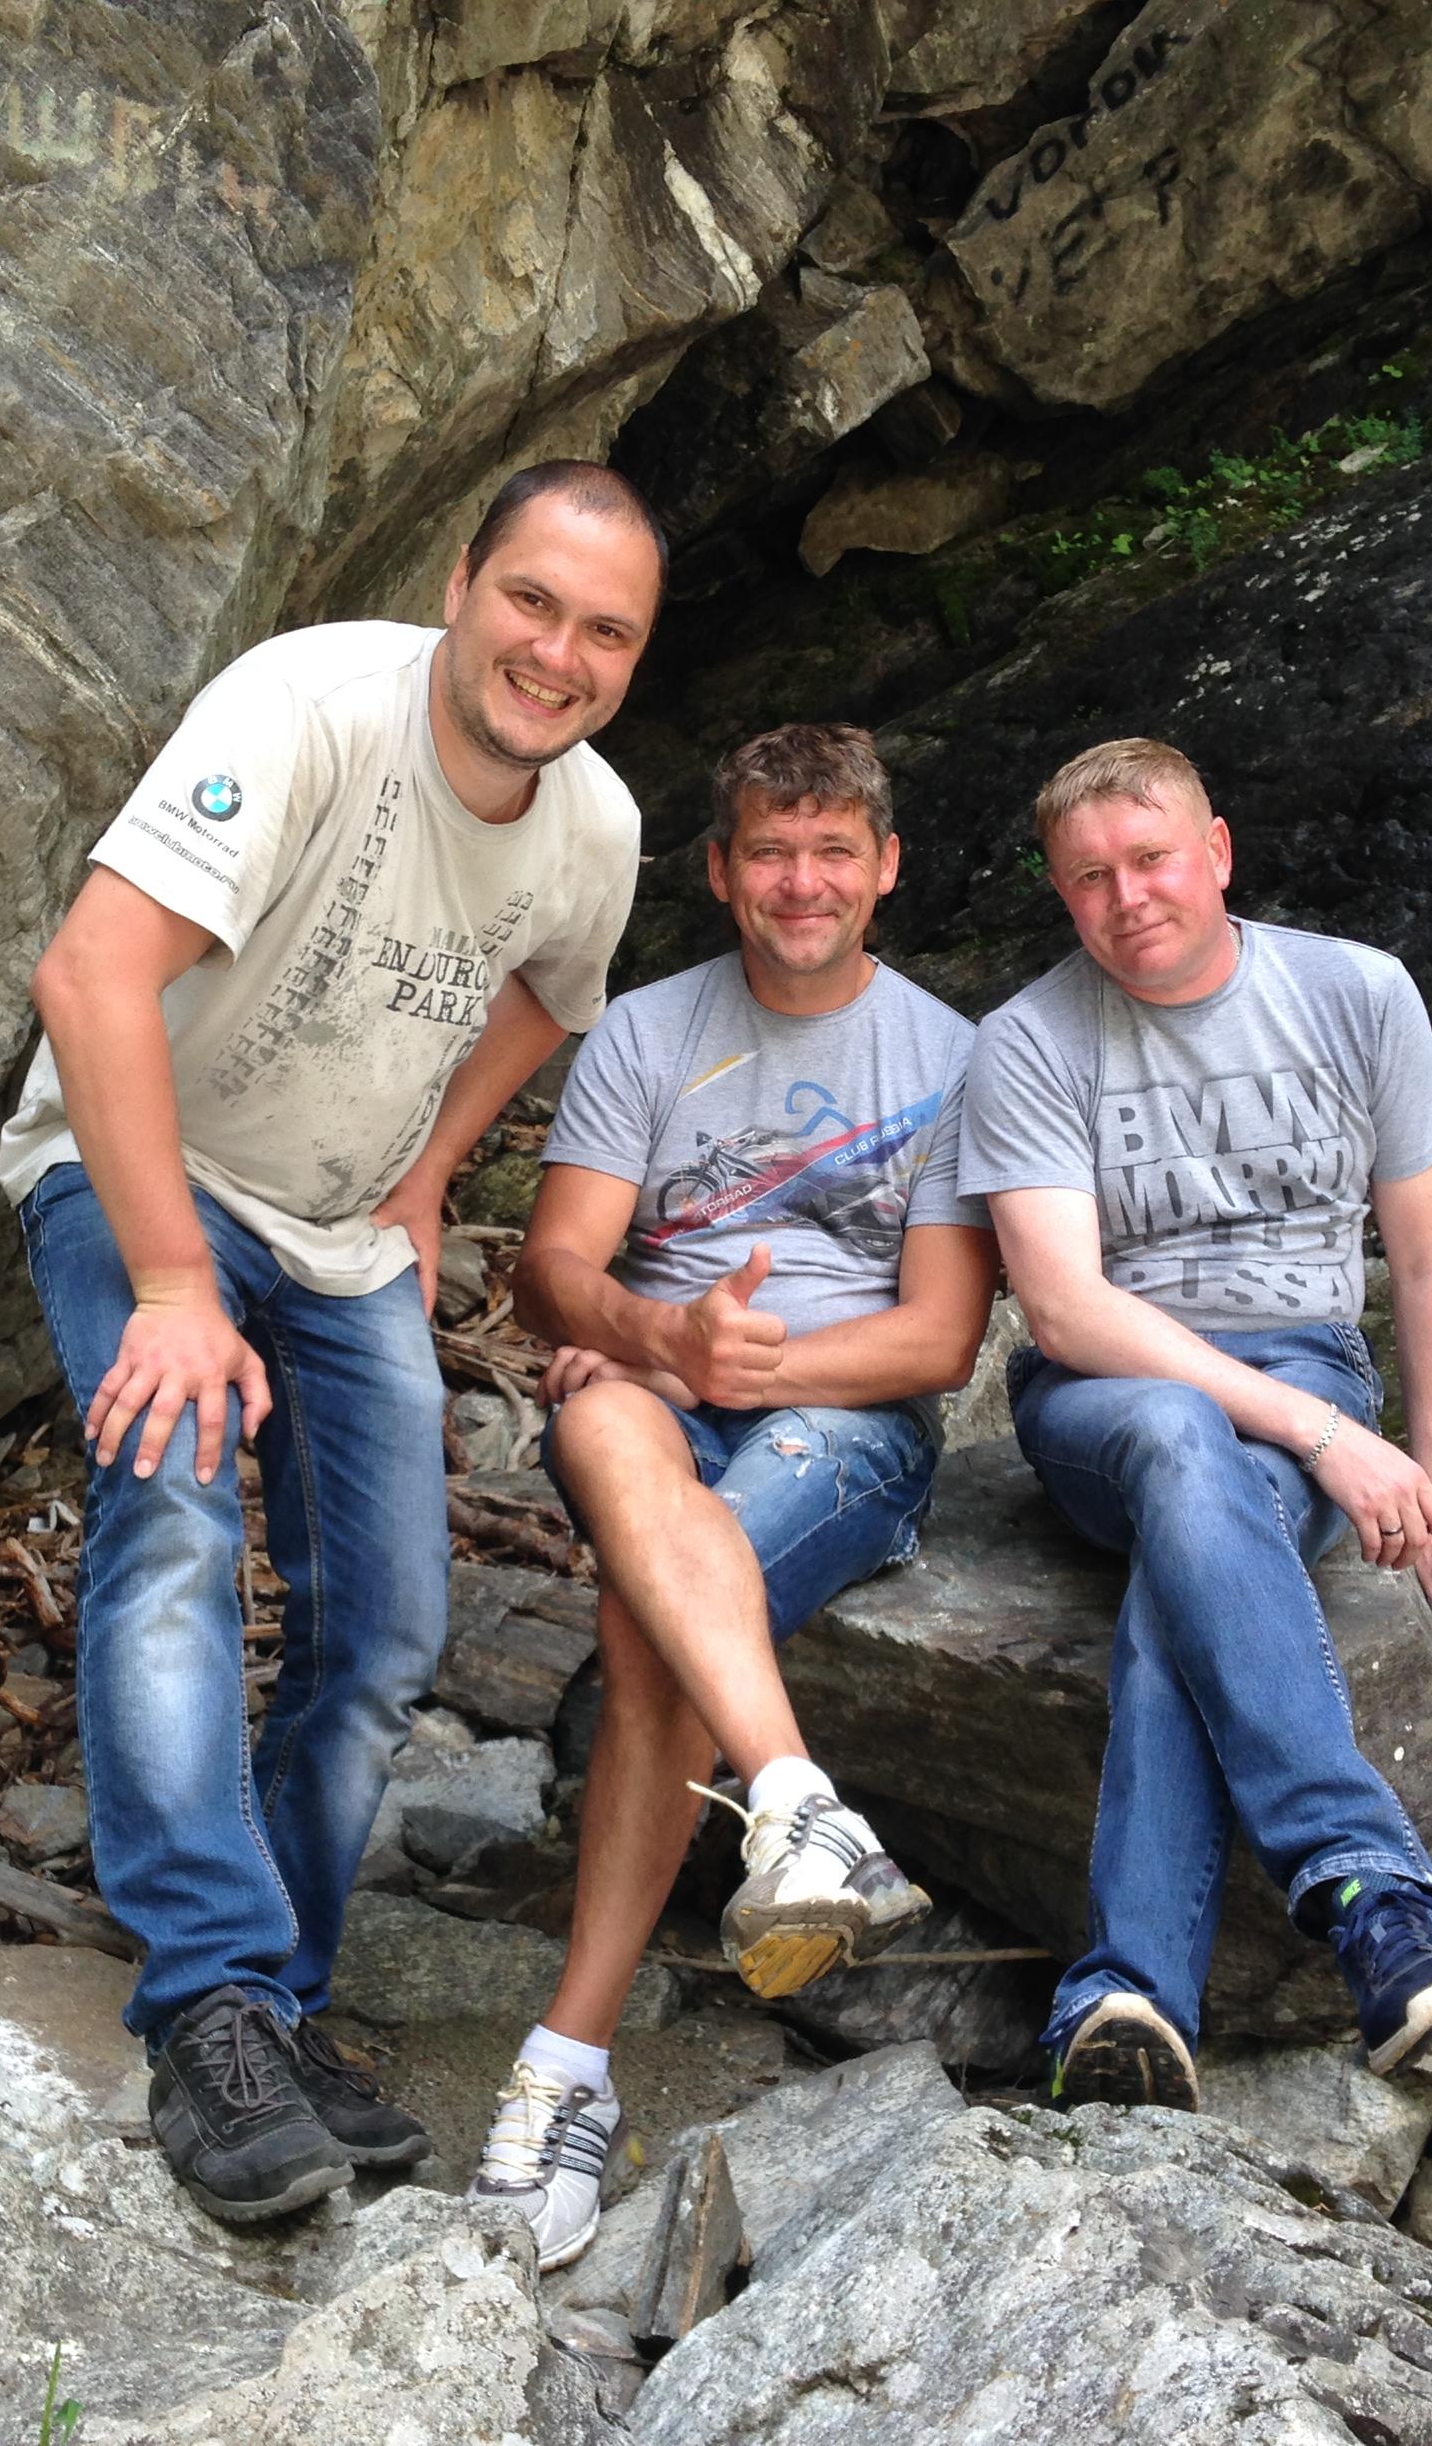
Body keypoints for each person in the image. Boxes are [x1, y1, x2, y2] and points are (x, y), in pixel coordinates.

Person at [0, 463, 663, 2224]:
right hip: (145, 1174)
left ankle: (275, 2003)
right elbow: (88, 976)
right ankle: (206, 2003)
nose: (558, 654)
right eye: (532, 602)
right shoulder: (303, 707)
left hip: (341, 1231)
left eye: (606, 632)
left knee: (385, 1627)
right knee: (175, 1517)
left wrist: (428, 1175)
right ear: (462, 583)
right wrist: (171, 1286)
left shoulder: (595, 829)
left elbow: (550, 994)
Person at [467, 723, 1000, 2267]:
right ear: (718, 871)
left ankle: (566, 2065)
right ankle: (800, 1811)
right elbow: (555, 1271)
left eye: (834, 852)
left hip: (844, 1421)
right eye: (771, 850)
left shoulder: (952, 1059)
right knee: (602, 1420)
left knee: (649, 1625)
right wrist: (655, 1339)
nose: (802, 882)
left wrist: (731, 1364)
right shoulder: (647, 1031)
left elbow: (938, 1338)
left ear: (887, 869)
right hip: (658, 1394)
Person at [957, 736, 1432, 2105]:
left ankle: (1127, 1991)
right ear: (1061, 892)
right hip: (1108, 1397)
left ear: (1217, 851)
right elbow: (1066, 1311)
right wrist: (1328, 1440)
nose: (1127, 898)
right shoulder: (1027, 1040)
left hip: (1306, 1368)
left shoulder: (1356, 994)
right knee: (1176, 1433)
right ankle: (1369, 1894)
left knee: (1189, 1576)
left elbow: (1430, 1263)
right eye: (1089, 877)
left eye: (1151, 858)